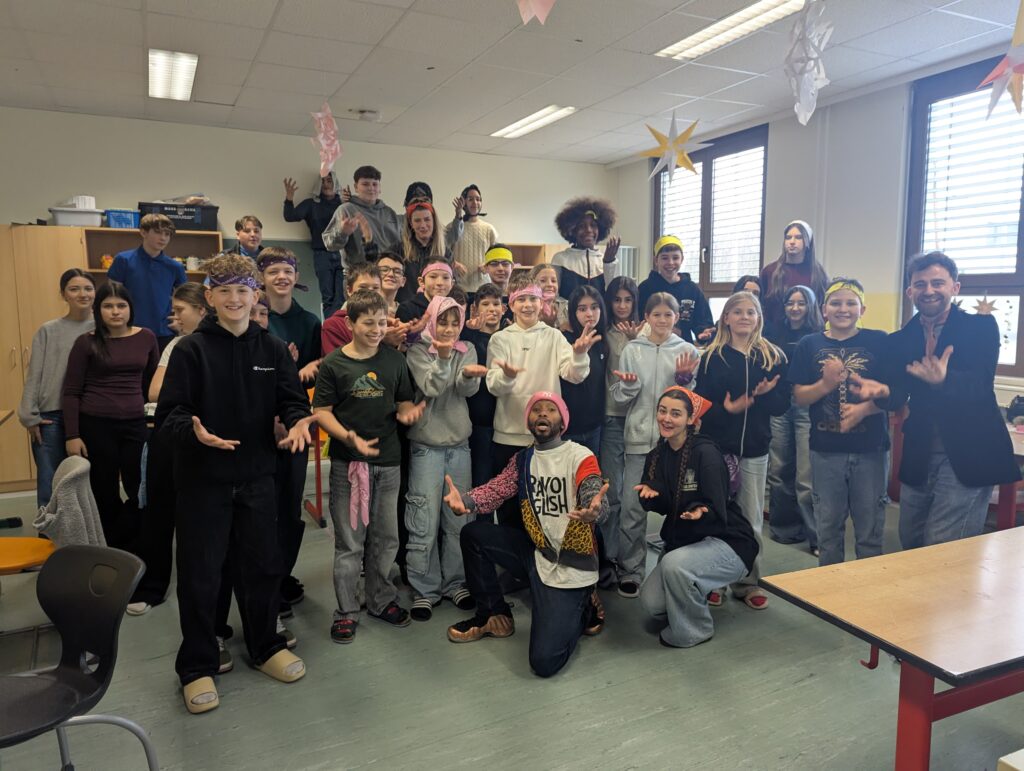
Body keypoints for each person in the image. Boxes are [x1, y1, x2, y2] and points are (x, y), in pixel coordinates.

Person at [156, 251, 312, 714]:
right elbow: (170, 415)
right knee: (201, 575)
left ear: (254, 294)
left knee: (262, 566)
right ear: (209, 297)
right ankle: (197, 665)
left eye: (242, 290)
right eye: (223, 291)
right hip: (203, 481)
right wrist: (195, 433)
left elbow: (292, 401)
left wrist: (297, 423)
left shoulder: (272, 349)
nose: (234, 299)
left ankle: (265, 646)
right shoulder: (190, 351)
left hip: (258, 477)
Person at [443, 391, 609, 678]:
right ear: (529, 421)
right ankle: (493, 615)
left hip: (572, 564)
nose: (542, 413)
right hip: (538, 552)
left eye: (551, 410)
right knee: (474, 534)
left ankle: (584, 605)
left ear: (563, 422)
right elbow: (497, 489)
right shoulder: (523, 459)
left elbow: (592, 488)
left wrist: (594, 509)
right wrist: (466, 501)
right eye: (536, 409)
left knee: (544, 662)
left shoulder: (580, 455)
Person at [860, 252, 1020, 548]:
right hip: (920, 452)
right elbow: (898, 392)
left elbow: (980, 384)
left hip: (969, 453)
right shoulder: (899, 340)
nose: (929, 290)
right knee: (911, 540)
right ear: (910, 291)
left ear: (954, 287)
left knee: (944, 546)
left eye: (937, 283)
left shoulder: (981, 328)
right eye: (920, 284)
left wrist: (945, 380)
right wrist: (883, 393)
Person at [312, 289, 425, 644]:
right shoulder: (334, 364)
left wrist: (408, 412)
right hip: (348, 466)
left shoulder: (394, 360)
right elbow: (321, 412)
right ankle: (347, 611)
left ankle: (380, 600)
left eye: (381, 322)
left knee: (386, 538)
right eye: (368, 323)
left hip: (389, 462)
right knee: (350, 543)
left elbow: (403, 399)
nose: (376, 330)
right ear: (350, 324)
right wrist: (349, 438)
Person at [636, 387, 758, 648]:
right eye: (662, 411)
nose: (666, 418)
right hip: (686, 542)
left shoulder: (706, 454)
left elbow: (717, 510)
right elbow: (664, 505)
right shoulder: (657, 455)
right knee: (652, 603)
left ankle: (695, 630)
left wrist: (701, 511)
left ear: (691, 419)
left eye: (676, 413)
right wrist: (651, 496)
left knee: (674, 565)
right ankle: (695, 590)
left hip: (727, 541)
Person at [695, 292, 787, 609]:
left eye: (751, 312)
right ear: (726, 318)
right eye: (738, 312)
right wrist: (727, 409)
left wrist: (765, 395)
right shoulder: (712, 357)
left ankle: (748, 582)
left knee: (750, 519)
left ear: (759, 318)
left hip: (755, 451)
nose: (745, 317)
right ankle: (715, 581)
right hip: (718, 450)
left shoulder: (772, 356)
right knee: (717, 516)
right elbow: (702, 404)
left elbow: (782, 405)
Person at [789, 279, 890, 566]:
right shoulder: (809, 344)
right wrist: (825, 384)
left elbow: (894, 394)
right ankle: (830, 589)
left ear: (862, 309)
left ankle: (867, 589)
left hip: (870, 450)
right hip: (825, 450)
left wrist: (865, 409)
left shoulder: (879, 341)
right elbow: (799, 396)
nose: (843, 309)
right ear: (824, 310)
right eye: (835, 303)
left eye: (850, 303)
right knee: (828, 531)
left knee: (870, 530)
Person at [610, 293, 700, 599]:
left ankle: (673, 568)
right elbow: (620, 398)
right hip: (638, 440)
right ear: (646, 317)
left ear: (677, 317)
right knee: (632, 508)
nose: (662, 320)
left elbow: (693, 403)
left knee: (679, 506)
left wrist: (684, 382)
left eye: (668, 315)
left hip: (675, 443)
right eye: (656, 314)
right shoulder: (632, 349)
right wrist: (629, 385)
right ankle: (630, 570)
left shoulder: (687, 350)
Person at [129, 283, 211, 615]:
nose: (174, 317)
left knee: (199, 520)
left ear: (202, 310)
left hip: (203, 439)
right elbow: (155, 391)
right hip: (166, 433)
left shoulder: (217, 344)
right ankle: (153, 586)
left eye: (180, 310)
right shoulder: (176, 344)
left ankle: (203, 592)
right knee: (158, 512)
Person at [485, 283, 595, 525]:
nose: (527, 305)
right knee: (509, 512)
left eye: (533, 299)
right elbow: (494, 385)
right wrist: (507, 376)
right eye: (521, 299)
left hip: (545, 439)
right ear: (511, 304)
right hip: (507, 437)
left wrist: (579, 355)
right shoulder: (500, 339)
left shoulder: (553, 336)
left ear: (541, 303)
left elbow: (574, 375)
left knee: (544, 509)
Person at [405, 295, 485, 620]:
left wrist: (468, 377)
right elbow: (432, 387)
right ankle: (424, 589)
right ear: (432, 321)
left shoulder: (468, 349)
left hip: (459, 445)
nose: (449, 329)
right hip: (426, 447)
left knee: (458, 518)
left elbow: (468, 391)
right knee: (423, 519)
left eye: (455, 322)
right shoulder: (417, 351)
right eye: (443, 322)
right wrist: (442, 358)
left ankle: (456, 582)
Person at [62, 281, 159, 548]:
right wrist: (72, 435)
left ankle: (136, 543)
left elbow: (153, 383)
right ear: (98, 310)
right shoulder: (86, 342)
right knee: (103, 489)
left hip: (135, 424)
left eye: (121, 305)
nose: (115, 311)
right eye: (108, 306)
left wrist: (154, 419)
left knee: (139, 486)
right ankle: (111, 546)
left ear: (130, 308)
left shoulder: (147, 337)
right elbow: (71, 391)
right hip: (95, 425)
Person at [258, 247, 322, 614]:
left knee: (289, 504)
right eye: (273, 271)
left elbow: (314, 373)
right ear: (262, 277)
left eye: (287, 271)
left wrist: (297, 369)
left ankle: (282, 575)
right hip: (257, 427)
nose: (281, 277)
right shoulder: (251, 316)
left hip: (294, 423)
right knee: (260, 507)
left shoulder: (309, 321)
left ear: (296, 277)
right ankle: (261, 578)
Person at [18, 269, 95, 509]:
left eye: (88, 288)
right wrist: (29, 415)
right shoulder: (48, 330)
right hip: (50, 416)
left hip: (88, 414)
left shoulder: (104, 328)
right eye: (74, 289)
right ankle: (49, 532)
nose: (82, 294)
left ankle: (87, 533)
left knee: (89, 484)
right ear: (63, 294)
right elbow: (35, 374)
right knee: (50, 485)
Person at [765, 285, 823, 553]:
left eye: (801, 303)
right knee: (779, 471)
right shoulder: (773, 333)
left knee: (806, 476)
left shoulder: (818, 336)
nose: (795, 308)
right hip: (779, 406)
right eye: (791, 303)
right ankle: (784, 529)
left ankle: (817, 537)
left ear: (811, 306)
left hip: (806, 407)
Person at [599, 275, 642, 584]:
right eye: (617, 299)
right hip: (611, 418)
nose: (623, 305)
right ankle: (609, 557)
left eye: (628, 300)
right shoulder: (603, 332)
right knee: (612, 493)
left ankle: (632, 564)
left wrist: (636, 341)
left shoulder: (646, 331)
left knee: (635, 498)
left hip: (639, 419)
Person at [107, 213, 185, 350]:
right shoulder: (123, 260)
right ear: (143, 232)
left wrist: (180, 320)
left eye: (167, 234)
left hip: (164, 332)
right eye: (158, 232)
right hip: (130, 329)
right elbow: (112, 296)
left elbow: (185, 299)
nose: (163, 238)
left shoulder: (175, 267)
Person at [283, 172, 345, 317]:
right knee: (328, 297)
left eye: (329, 181)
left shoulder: (344, 205)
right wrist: (289, 198)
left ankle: (339, 325)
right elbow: (290, 216)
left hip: (343, 254)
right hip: (322, 254)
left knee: (342, 297)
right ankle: (330, 327)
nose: (326, 184)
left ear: (336, 183)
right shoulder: (311, 204)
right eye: (323, 181)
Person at [461, 283, 503, 486]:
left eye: (496, 303)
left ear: (503, 308)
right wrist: (469, 332)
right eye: (485, 304)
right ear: (475, 309)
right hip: (478, 422)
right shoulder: (468, 338)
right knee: (481, 483)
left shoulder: (509, 336)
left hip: (505, 422)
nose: (492, 309)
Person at [637, 236, 714, 344]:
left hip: (683, 348)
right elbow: (638, 320)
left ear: (682, 259)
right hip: (651, 346)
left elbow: (703, 322)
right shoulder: (645, 288)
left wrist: (704, 333)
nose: (670, 262)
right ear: (656, 260)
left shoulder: (692, 289)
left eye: (675, 258)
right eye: (664, 258)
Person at [560, 285, 608, 456]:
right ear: (573, 312)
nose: (589, 314)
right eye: (582, 309)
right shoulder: (564, 338)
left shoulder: (602, 339)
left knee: (591, 472)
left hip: (594, 426)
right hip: (567, 428)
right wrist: (579, 352)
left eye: (594, 307)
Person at [323, 165, 401, 266]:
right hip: (359, 272)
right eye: (365, 184)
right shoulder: (346, 210)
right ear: (356, 187)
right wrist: (342, 232)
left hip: (388, 271)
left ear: (380, 188)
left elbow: (400, 247)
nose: (371, 188)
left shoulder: (390, 213)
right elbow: (330, 245)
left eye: (375, 184)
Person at [759, 220, 829, 329]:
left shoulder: (818, 273)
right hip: (775, 333)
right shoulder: (770, 271)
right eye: (788, 237)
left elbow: (824, 307)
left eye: (798, 237)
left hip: (810, 332)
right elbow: (761, 305)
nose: (792, 241)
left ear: (807, 242)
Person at [551, 197, 620, 299]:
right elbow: (553, 296)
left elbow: (613, 296)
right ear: (572, 230)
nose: (588, 230)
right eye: (581, 226)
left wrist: (608, 263)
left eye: (593, 225)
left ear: (600, 229)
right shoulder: (560, 260)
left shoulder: (607, 261)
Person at [321, 263, 383, 355]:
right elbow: (338, 362)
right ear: (349, 290)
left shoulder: (386, 322)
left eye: (375, 288)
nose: (370, 293)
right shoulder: (333, 326)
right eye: (363, 287)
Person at [446, 184, 498, 295]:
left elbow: (496, 256)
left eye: (478, 199)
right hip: (458, 288)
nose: (475, 203)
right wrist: (454, 264)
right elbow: (442, 252)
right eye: (470, 199)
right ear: (463, 202)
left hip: (484, 288)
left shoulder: (489, 229)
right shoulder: (452, 227)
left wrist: (488, 264)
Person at [400, 201, 450, 304]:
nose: (423, 225)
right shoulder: (399, 250)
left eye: (427, 219)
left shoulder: (445, 252)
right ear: (411, 224)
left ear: (434, 221)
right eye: (417, 220)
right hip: (407, 308)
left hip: (437, 308)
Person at [531, 263, 570, 330]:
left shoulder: (566, 306)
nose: (550, 284)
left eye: (553, 281)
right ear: (532, 284)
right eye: (543, 281)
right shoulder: (528, 308)